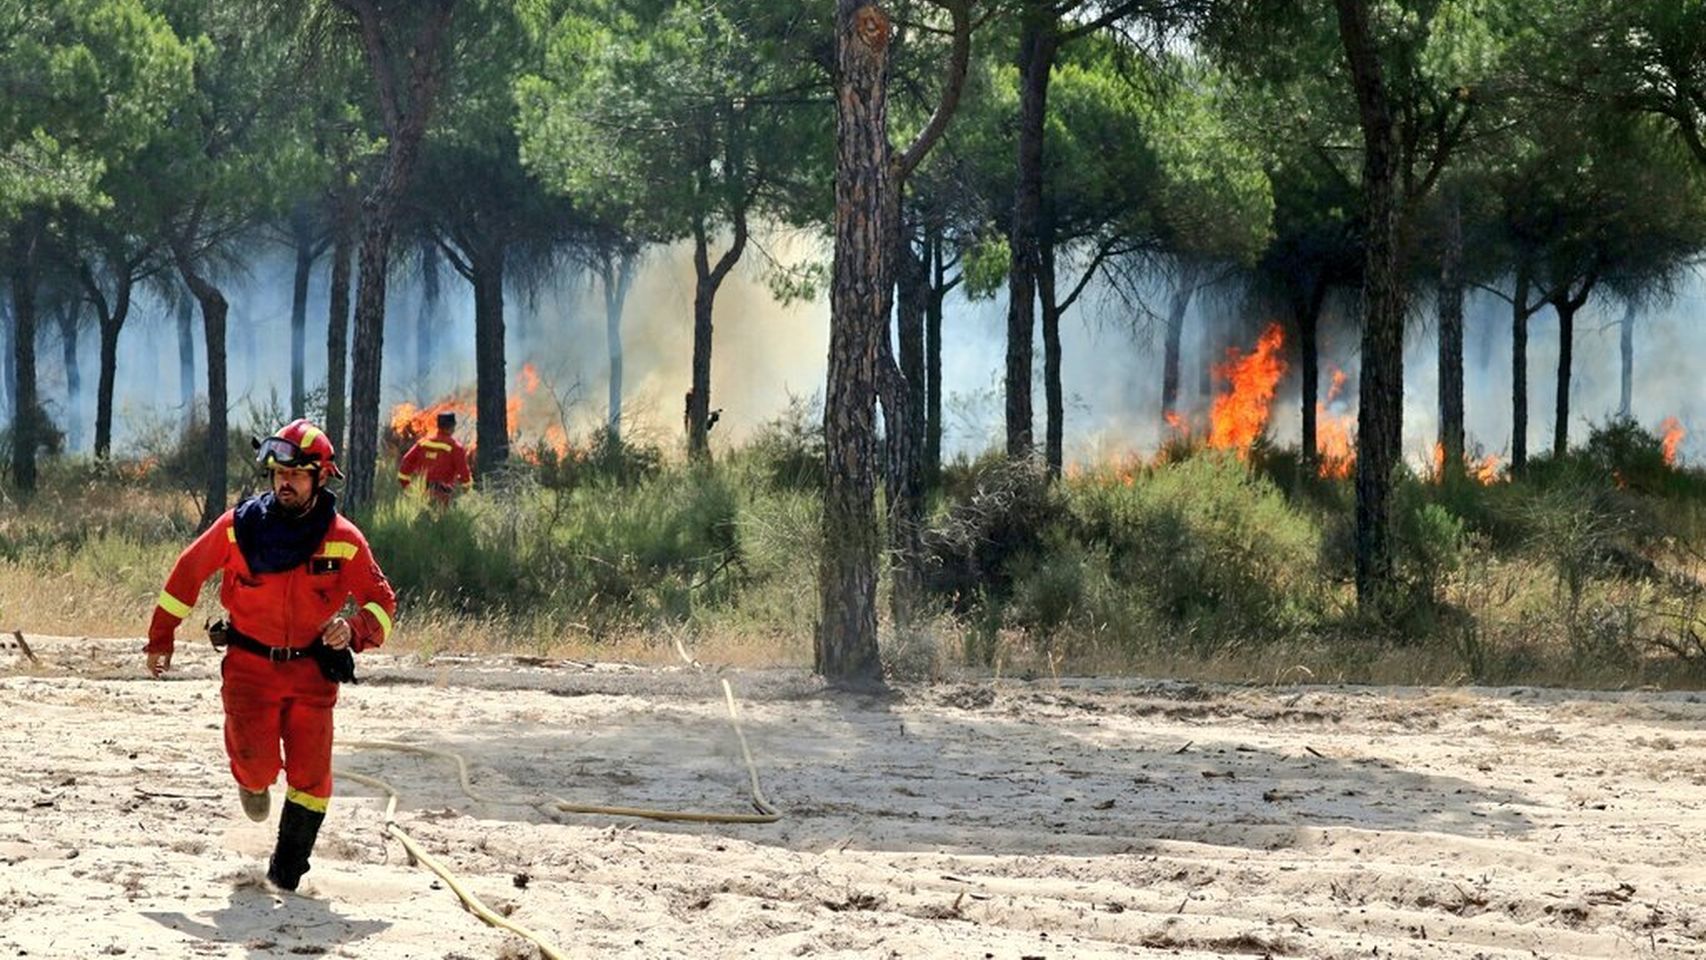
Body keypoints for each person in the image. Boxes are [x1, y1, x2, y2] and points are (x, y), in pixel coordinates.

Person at [145, 418, 397, 892]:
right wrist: (162, 637)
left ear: (321, 477)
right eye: (278, 474)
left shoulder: (344, 539)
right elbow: (187, 572)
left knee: (311, 776)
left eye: (296, 474)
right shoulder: (239, 528)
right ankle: (252, 780)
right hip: (249, 671)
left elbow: (382, 603)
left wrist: (356, 628)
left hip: (311, 675)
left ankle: (285, 876)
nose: (284, 482)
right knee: (257, 763)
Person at [397, 410, 472, 506]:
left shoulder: (423, 442)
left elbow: (406, 461)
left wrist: (406, 485)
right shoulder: (456, 448)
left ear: (438, 425)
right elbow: (464, 475)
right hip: (443, 497)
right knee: (443, 519)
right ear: (453, 427)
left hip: (422, 495)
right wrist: (465, 490)